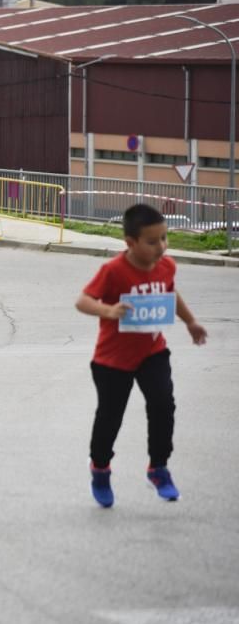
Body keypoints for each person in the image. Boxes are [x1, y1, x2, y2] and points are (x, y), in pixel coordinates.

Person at [75, 204, 207, 508]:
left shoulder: (167, 266)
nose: (161, 246)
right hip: (112, 360)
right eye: (152, 241)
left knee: (163, 405)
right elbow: (82, 301)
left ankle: (158, 467)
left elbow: (170, 294)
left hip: (153, 352)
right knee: (110, 417)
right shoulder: (113, 271)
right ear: (130, 242)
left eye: (164, 238)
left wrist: (190, 322)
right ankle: (100, 469)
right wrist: (108, 310)